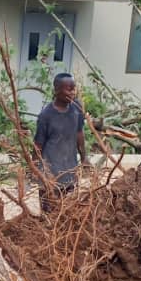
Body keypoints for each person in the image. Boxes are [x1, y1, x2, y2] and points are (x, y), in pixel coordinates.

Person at [33, 72, 88, 211]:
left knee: (68, 213)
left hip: (70, 171)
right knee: (49, 214)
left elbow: (79, 133)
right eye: (68, 89)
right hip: (50, 175)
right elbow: (38, 144)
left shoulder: (77, 108)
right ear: (57, 90)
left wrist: (84, 158)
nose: (73, 92)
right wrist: (34, 168)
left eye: (73, 88)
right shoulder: (46, 115)